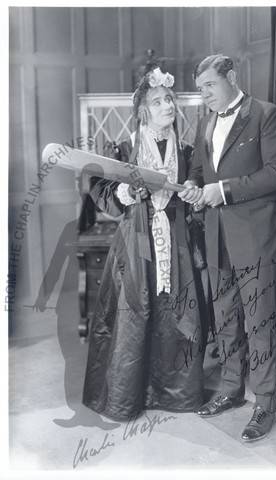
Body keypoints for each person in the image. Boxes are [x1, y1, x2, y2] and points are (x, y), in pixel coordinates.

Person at [82, 66, 205, 421]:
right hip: (136, 246)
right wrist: (126, 190)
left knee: (175, 313)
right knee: (133, 316)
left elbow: (196, 189)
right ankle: (126, 396)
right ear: (143, 111)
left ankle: (175, 394)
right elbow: (98, 189)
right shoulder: (125, 150)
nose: (167, 106)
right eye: (158, 101)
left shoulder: (188, 150)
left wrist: (194, 193)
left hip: (175, 244)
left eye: (170, 99)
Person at [179, 54, 276, 442]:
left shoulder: (266, 114)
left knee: (259, 322)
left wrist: (222, 191)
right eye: (200, 88)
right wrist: (194, 187)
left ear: (231, 77)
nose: (203, 94)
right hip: (216, 237)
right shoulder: (205, 120)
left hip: (256, 237)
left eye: (209, 85)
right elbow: (197, 170)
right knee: (225, 319)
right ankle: (230, 390)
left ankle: (264, 403)